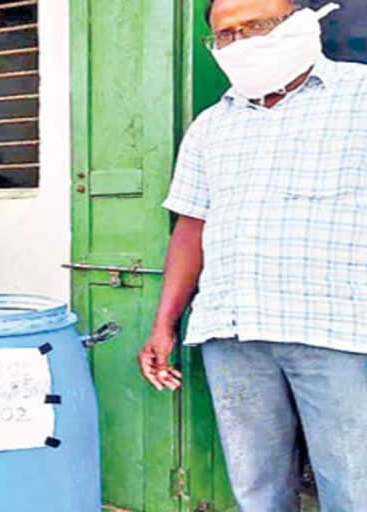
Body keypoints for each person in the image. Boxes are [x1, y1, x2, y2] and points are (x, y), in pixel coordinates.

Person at [138, 1, 367, 510]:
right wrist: (164, 324)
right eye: (227, 34)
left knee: (354, 491)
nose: (242, 42)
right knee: (258, 493)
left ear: (302, 23)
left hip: (338, 331)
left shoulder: (360, 97)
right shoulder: (211, 125)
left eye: (257, 26)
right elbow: (191, 227)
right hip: (233, 333)